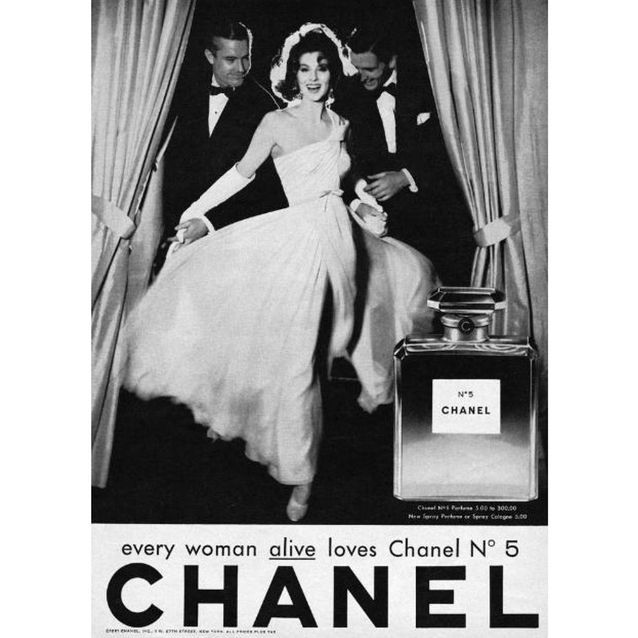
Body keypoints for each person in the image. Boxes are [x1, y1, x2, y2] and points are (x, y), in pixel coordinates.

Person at [123, 24, 439, 522]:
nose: (313, 77)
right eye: (304, 68)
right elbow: (240, 175)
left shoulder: (342, 123)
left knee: (379, 301)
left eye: (322, 68)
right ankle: (300, 473)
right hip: (297, 245)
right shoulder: (275, 121)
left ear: (333, 73)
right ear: (293, 74)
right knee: (296, 362)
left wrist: (363, 205)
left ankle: (327, 418)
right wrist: (196, 214)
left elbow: (347, 182)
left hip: (341, 243)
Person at [334, 26, 475, 285]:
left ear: (391, 60)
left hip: (438, 213)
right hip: (385, 224)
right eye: (357, 68)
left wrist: (405, 177)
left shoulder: (431, 85)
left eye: (369, 69)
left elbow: (457, 150)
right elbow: (339, 161)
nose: (362, 77)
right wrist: (360, 200)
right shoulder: (348, 94)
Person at [160, 18, 287, 256]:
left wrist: (208, 223)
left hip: (231, 236)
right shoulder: (180, 93)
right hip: (173, 231)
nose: (241, 68)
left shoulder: (265, 108)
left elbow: (268, 189)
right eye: (231, 59)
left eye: (246, 57)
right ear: (210, 56)